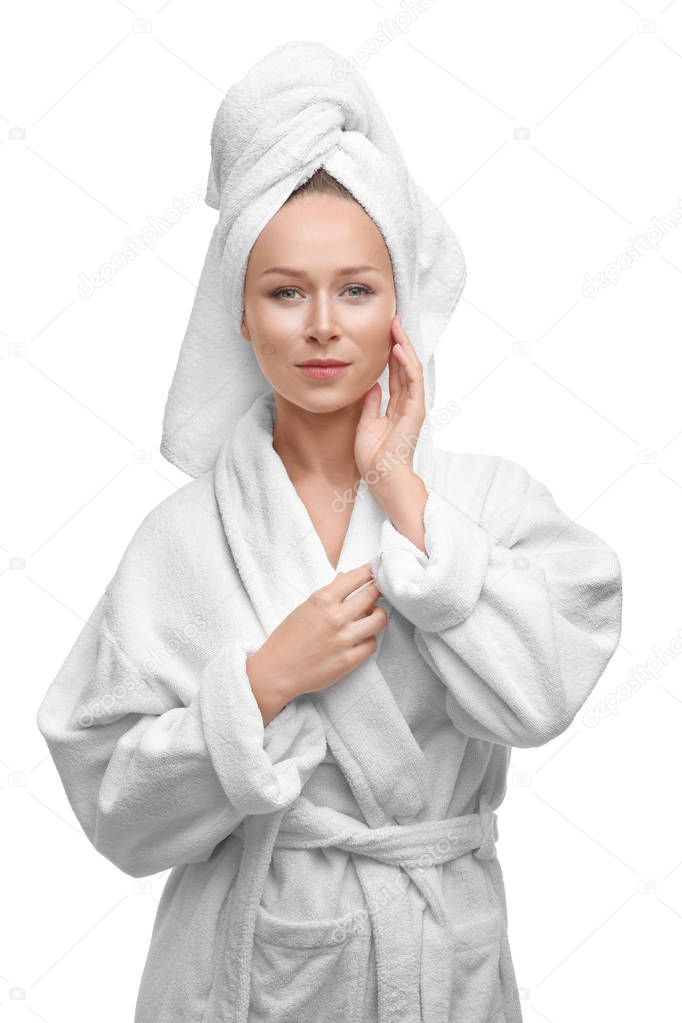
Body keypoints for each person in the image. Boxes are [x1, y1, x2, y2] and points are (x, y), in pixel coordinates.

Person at [36, 41, 623, 1023]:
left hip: (443, 962)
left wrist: (403, 496)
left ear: (400, 306)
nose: (320, 325)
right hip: (247, 965)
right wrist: (260, 684)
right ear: (239, 312)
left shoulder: (487, 505)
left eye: (354, 289)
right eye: (283, 291)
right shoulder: (179, 541)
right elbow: (113, 808)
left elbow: (546, 696)